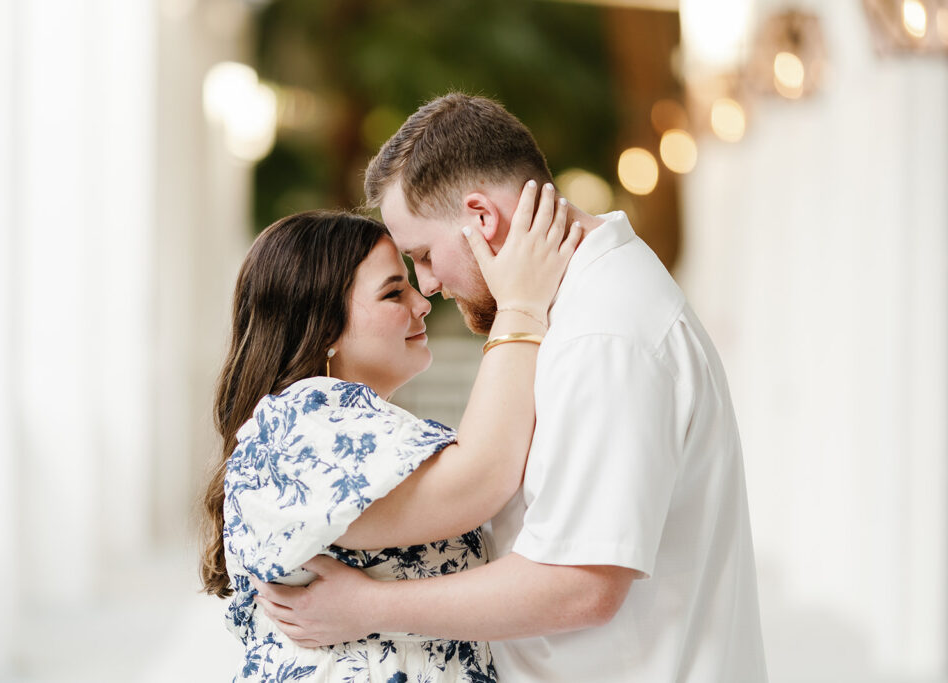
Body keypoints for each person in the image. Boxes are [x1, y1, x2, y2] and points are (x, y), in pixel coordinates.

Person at [254, 94, 769, 682]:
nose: (430, 286)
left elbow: (580, 586)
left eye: (422, 255)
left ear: (481, 217)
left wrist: (366, 609)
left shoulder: (601, 336)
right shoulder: (580, 314)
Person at [201, 198, 581, 681]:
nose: (422, 302)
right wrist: (521, 306)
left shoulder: (346, 421)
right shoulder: (300, 419)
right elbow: (479, 480)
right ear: (324, 329)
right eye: (392, 293)